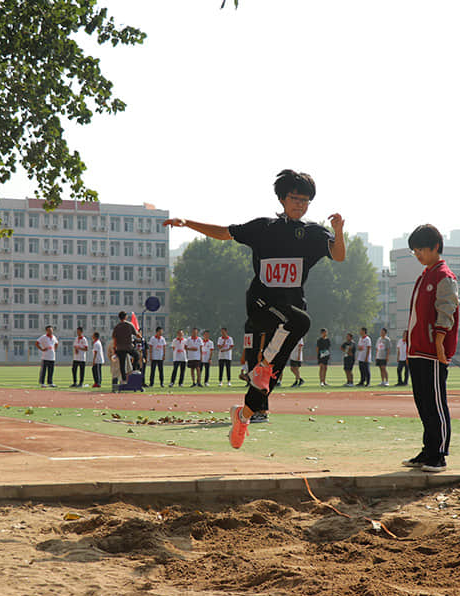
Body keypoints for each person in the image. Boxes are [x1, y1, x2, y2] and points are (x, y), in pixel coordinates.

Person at [165, 169, 346, 448]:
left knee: (268, 380)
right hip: (262, 304)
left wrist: (338, 231)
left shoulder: (313, 234)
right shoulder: (264, 228)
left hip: (290, 312)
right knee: (302, 322)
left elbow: (338, 255)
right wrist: (187, 223)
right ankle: (260, 367)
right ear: (282, 199)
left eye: (305, 200)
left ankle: (244, 415)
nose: (300, 204)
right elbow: (225, 233)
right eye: (294, 198)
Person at [400, 224, 459, 473]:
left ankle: (439, 455)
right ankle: (428, 450)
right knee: (423, 403)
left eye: (421, 249)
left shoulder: (443, 276)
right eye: (414, 250)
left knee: (435, 403)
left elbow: (447, 310)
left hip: (433, 352)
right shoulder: (425, 275)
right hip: (417, 350)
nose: (418, 254)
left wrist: (439, 342)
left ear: (435, 247)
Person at [111, 311, 139, 388]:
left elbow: (114, 338)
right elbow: (137, 334)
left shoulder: (117, 326)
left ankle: (124, 380)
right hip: (128, 346)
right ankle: (133, 370)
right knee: (137, 356)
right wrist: (140, 336)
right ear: (126, 317)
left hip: (120, 348)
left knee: (122, 365)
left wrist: (114, 348)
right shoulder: (129, 324)